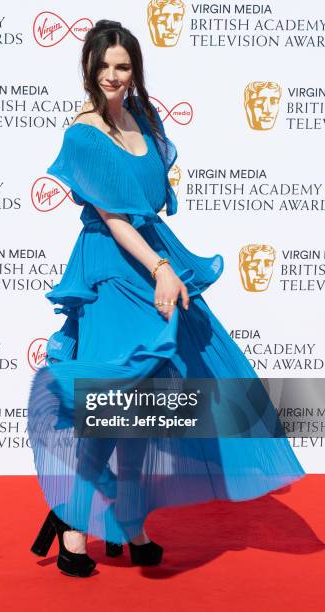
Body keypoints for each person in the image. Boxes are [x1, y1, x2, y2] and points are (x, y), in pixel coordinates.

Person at [27, 19, 305, 578]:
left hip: (155, 258)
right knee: (110, 402)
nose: (111, 76)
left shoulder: (145, 121)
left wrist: (164, 266)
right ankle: (75, 525)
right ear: (87, 68)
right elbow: (112, 216)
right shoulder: (83, 135)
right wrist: (159, 269)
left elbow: (150, 204)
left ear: (135, 71)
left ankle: (130, 520)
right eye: (102, 65)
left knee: (147, 401)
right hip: (111, 267)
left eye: (122, 66)